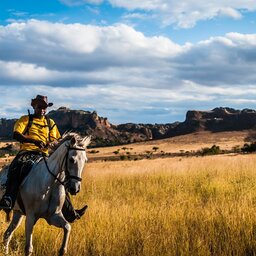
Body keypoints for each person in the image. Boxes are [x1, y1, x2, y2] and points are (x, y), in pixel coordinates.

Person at [0, 95, 87, 223]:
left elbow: (56, 139)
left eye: (44, 107)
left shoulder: (49, 122)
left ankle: (70, 212)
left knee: (60, 177)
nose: (42, 110)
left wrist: (51, 143)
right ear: (34, 106)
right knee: (17, 168)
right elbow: (16, 134)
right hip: (27, 153)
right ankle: (8, 198)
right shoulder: (25, 120)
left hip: (44, 155)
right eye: (40, 107)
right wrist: (34, 141)